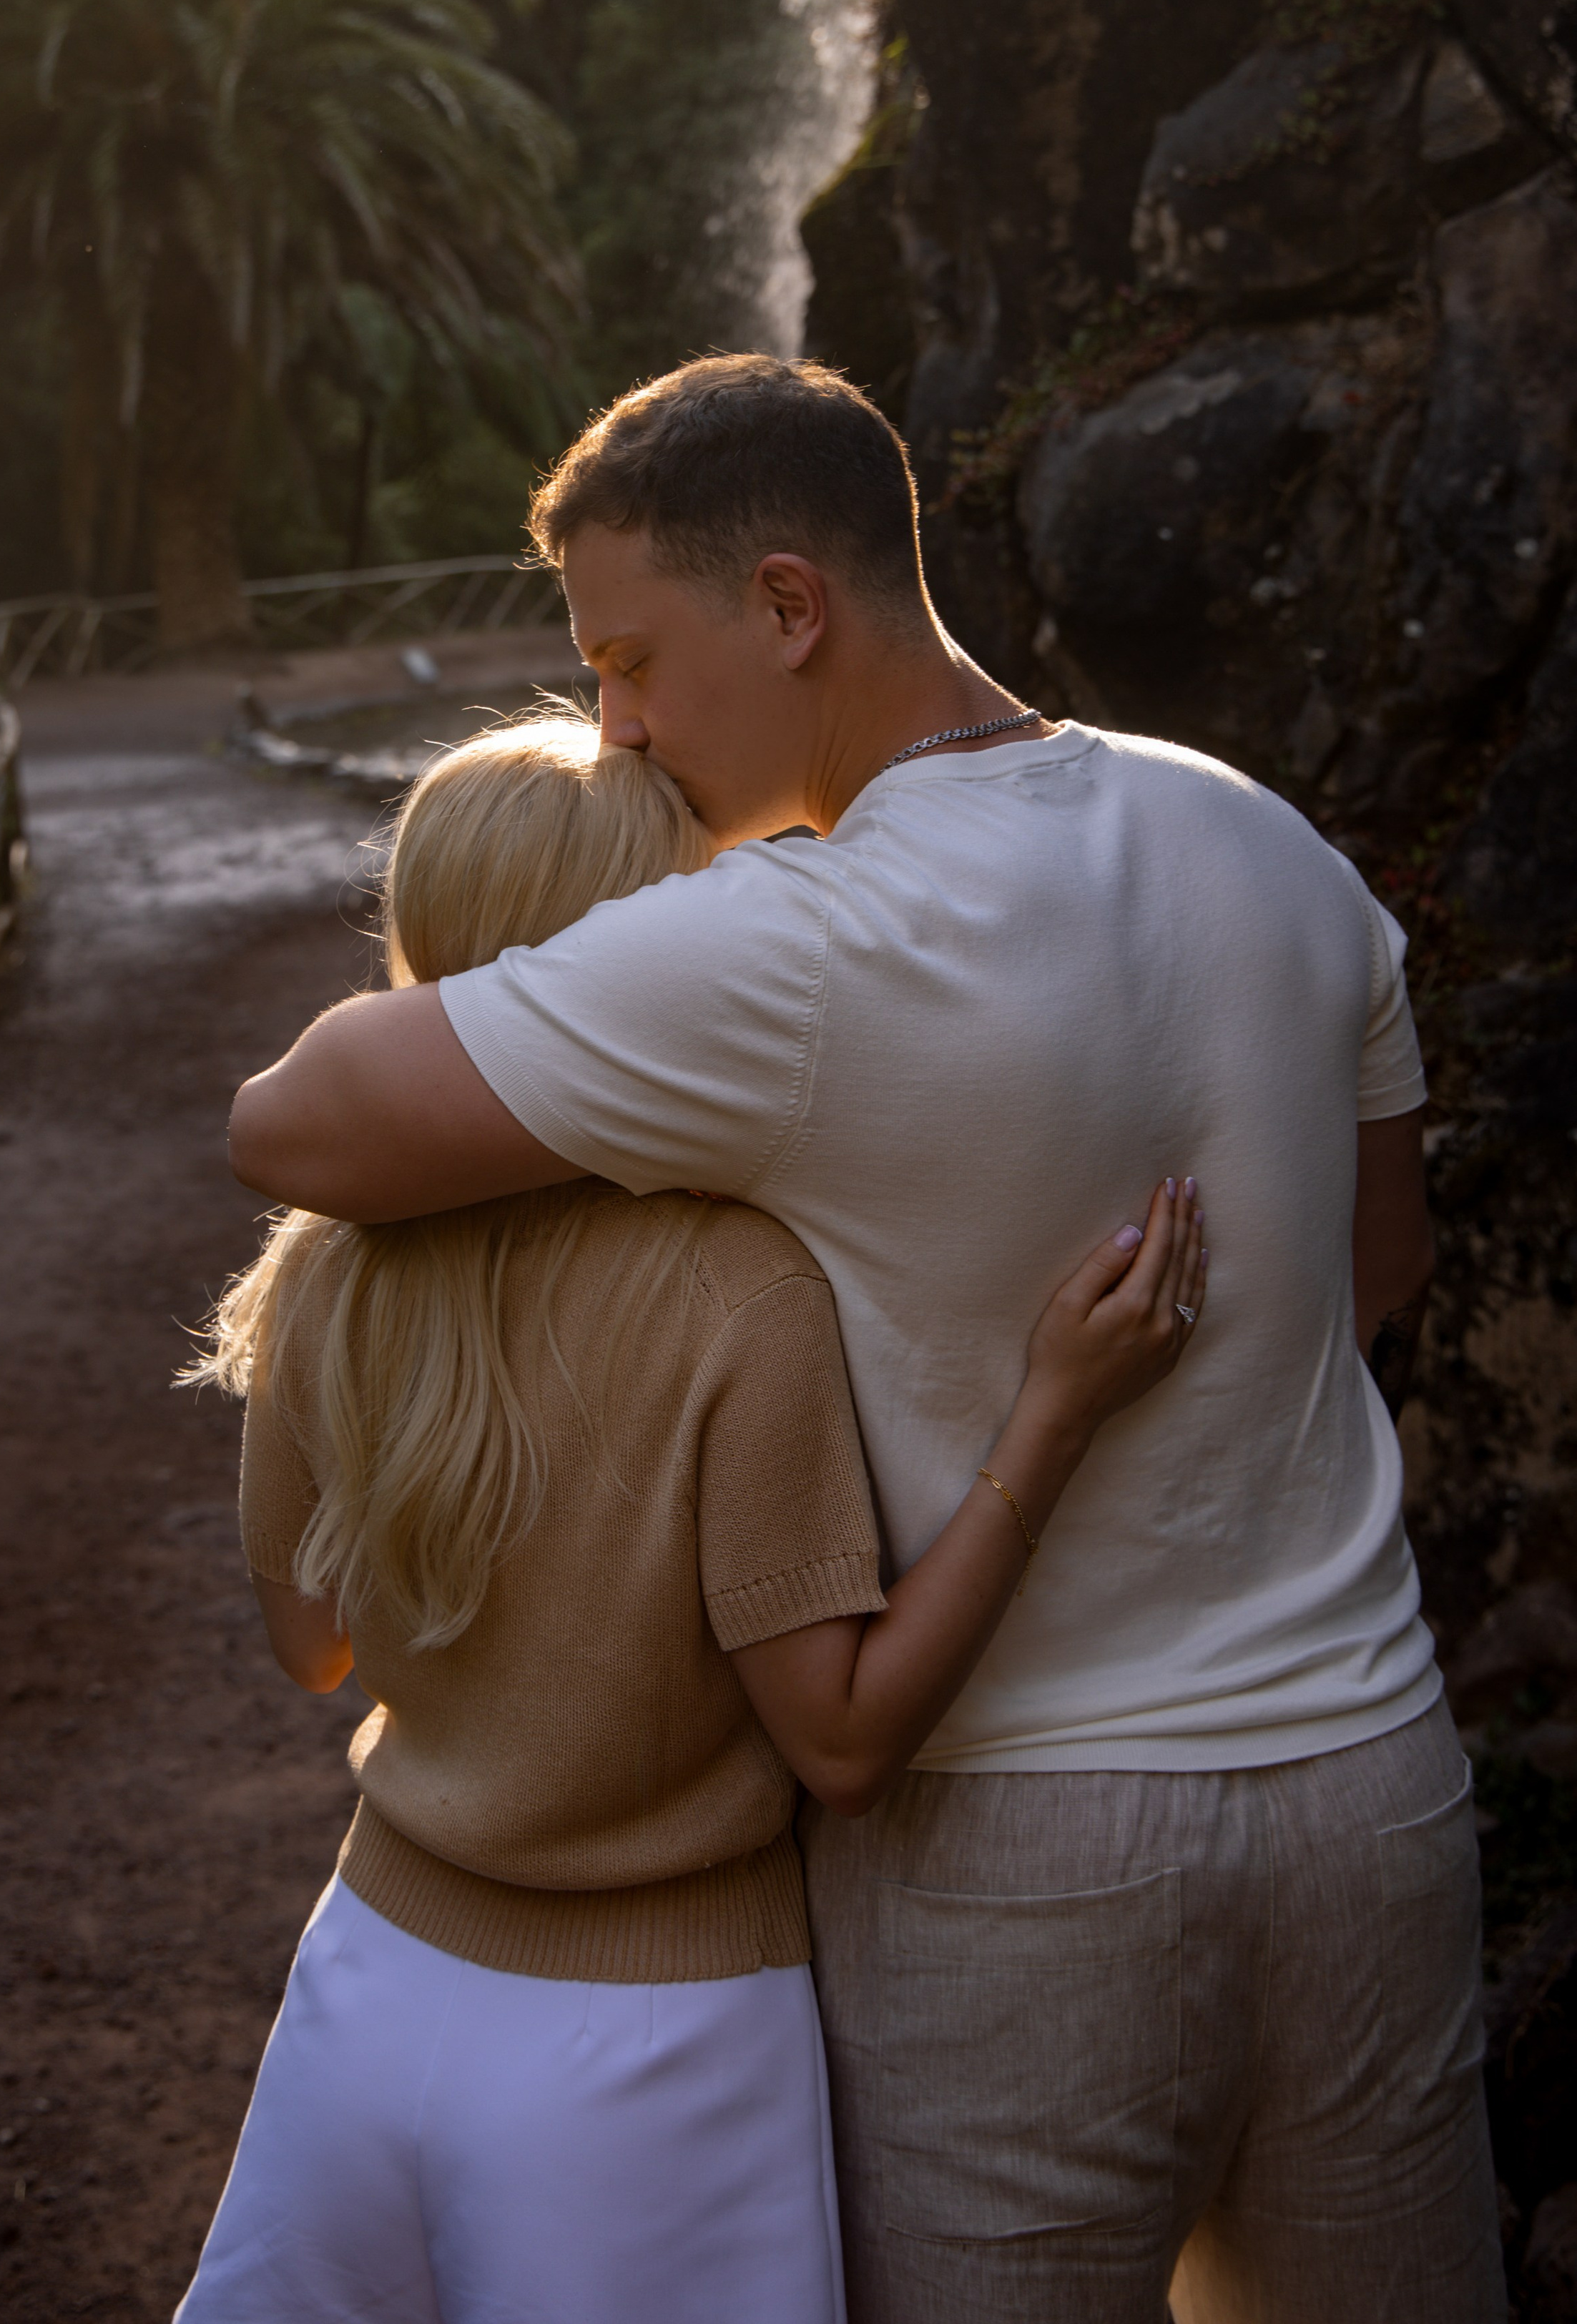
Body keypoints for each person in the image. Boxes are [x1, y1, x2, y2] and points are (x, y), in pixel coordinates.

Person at [228, 355, 1505, 2324]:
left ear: (792, 606)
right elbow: (1377, 1269)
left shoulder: (795, 948)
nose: (620, 727)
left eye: (631, 660)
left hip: (1015, 1845)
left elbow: (290, 1121)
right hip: (1368, 1782)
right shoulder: (1267, 839)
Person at [177, 709, 1207, 2324]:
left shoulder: (324, 1269)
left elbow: (310, 1647)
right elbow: (845, 1744)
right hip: (643, 2056)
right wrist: (1052, 1417)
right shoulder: (741, 1292)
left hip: (365, 1984)